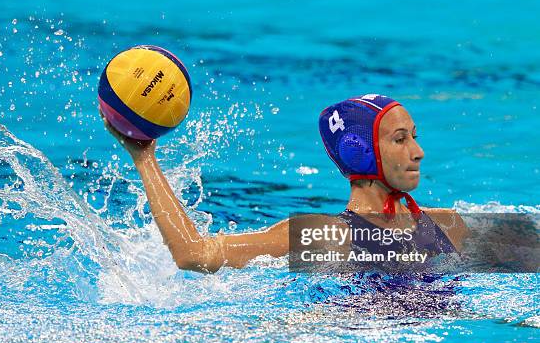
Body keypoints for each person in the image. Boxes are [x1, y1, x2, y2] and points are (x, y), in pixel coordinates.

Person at [102, 94, 467, 273]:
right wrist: (145, 158)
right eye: (401, 139)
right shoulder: (324, 236)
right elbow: (194, 254)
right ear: (360, 151)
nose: (418, 152)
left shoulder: (447, 225)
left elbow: (524, 251)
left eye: (414, 137)